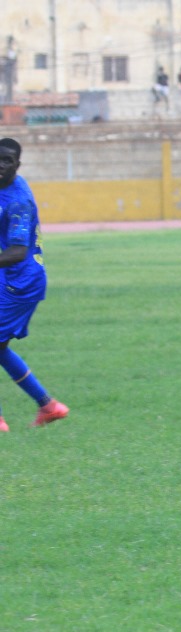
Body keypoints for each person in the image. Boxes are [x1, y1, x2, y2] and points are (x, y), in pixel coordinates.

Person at [0, 138, 69, 432]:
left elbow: (17, 252)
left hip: (21, 283)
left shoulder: (18, 201)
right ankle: (49, 406)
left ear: (18, 166)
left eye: (7, 161)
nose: (1, 166)